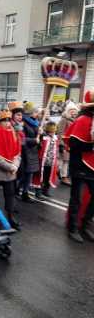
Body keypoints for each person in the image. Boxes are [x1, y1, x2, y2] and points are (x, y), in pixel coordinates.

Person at [64, 90, 94, 243]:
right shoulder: (82, 120)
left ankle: (85, 224)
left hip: (92, 165)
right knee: (76, 198)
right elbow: (73, 144)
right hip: (80, 165)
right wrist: (91, 145)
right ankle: (73, 227)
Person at [32, 121, 59, 200]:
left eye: (53, 132)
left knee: (48, 177)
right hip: (42, 161)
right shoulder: (43, 137)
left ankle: (45, 190)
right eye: (51, 132)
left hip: (51, 162)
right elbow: (38, 146)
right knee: (40, 177)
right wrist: (39, 134)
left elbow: (56, 149)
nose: (52, 133)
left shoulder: (55, 138)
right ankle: (38, 192)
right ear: (47, 131)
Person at [20, 102, 40, 203]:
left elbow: (37, 135)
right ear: (30, 112)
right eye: (35, 111)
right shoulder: (23, 123)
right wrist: (34, 140)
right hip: (25, 151)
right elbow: (21, 139)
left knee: (29, 173)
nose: (37, 114)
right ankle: (18, 189)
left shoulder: (35, 122)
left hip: (33, 151)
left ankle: (25, 192)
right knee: (24, 173)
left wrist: (41, 132)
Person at [57, 102, 78, 185]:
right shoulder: (64, 119)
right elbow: (60, 132)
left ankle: (62, 174)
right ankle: (63, 177)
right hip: (65, 143)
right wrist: (61, 144)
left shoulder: (75, 120)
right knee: (63, 161)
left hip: (71, 144)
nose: (73, 112)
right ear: (68, 111)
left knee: (66, 161)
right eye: (71, 111)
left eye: (74, 111)